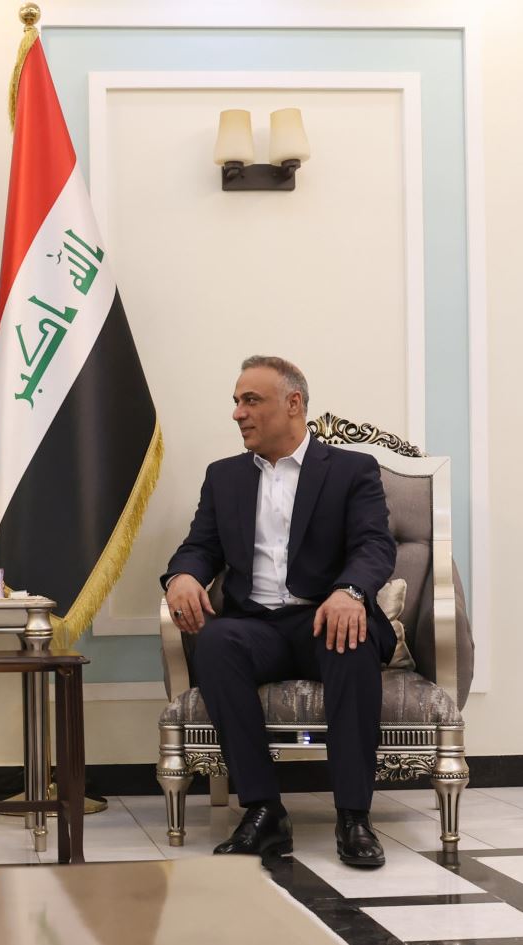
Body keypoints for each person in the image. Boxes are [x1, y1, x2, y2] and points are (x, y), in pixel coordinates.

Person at [161, 356, 396, 868]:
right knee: (215, 643)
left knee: (351, 637)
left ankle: (353, 816)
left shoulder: (351, 470)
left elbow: (374, 545)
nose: (238, 413)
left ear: (293, 404)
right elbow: (200, 546)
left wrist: (350, 591)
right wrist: (182, 576)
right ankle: (264, 811)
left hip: (323, 618)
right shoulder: (224, 477)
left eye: (251, 400)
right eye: (236, 402)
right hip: (257, 627)